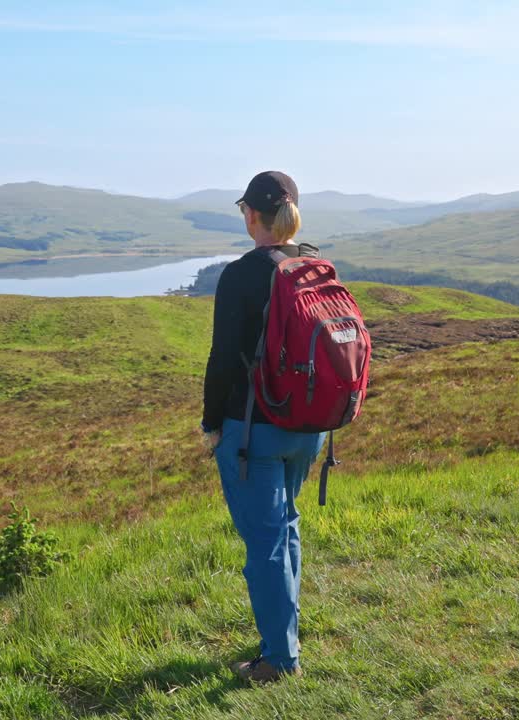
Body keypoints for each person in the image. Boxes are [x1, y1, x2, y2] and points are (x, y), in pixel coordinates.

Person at [200, 170, 326, 683]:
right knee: (286, 528)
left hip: (253, 431)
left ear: (250, 215)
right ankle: (284, 638)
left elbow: (223, 360)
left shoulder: (241, 274)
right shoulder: (314, 264)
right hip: (309, 425)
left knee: (265, 543)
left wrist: (211, 425)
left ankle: (279, 660)